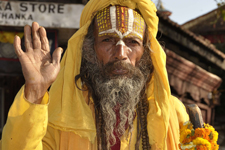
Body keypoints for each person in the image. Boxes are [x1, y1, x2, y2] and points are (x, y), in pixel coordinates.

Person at [0, 0, 189, 149]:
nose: (121, 54)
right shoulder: (61, 112)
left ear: (146, 52)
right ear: (90, 49)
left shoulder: (172, 112)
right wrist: (35, 90)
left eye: (132, 42)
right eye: (108, 39)